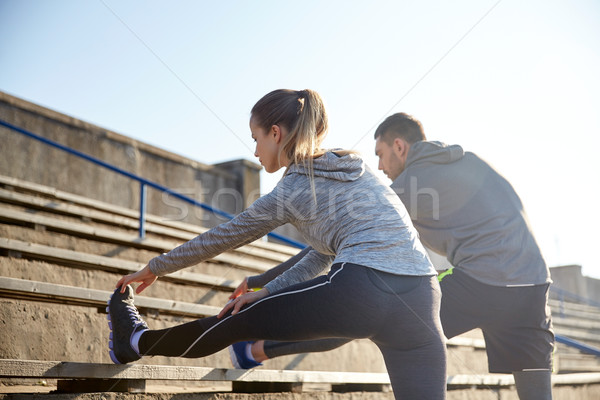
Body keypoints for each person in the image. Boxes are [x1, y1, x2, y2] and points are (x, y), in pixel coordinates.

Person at [107, 91, 447, 399]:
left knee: (236, 318)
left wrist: (155, 266)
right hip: (422, 297)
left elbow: (226, 235)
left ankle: (133, 341)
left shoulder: (294, 187)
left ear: (275, 133)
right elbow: (321, 255)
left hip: (365, 288)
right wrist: (270, 290)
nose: (255, 151)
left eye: (256, 139)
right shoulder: (353, 168)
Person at [229, 113, 555, 400]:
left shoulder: (414, 182)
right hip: (533, 287)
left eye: (381, 155)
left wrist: (263, 281)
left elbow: (331, 245)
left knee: (363, 312)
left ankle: (253, 350)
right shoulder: (467, 161)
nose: (381, 168)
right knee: (537, 394)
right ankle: (257, 350)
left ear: (400, 146)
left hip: (482, 281)